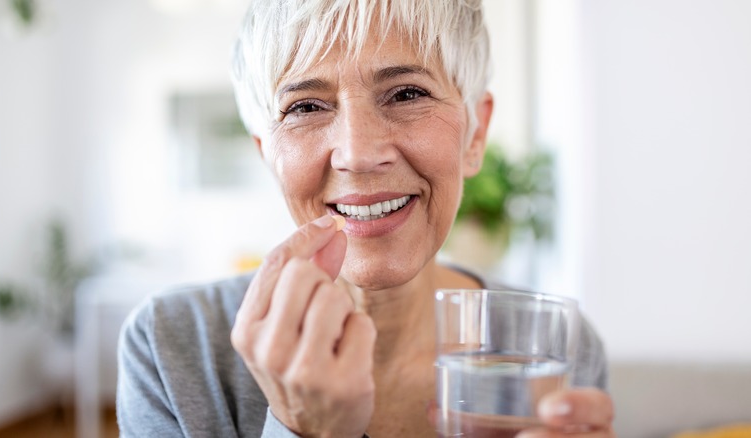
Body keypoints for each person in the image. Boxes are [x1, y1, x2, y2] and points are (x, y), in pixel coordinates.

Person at [116, 0, 615, 437]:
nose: (357, 153)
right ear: (269, 155)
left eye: (407, 94)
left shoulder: (551, 345)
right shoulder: (170, 346)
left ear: (476, 134)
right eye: (305, 106)